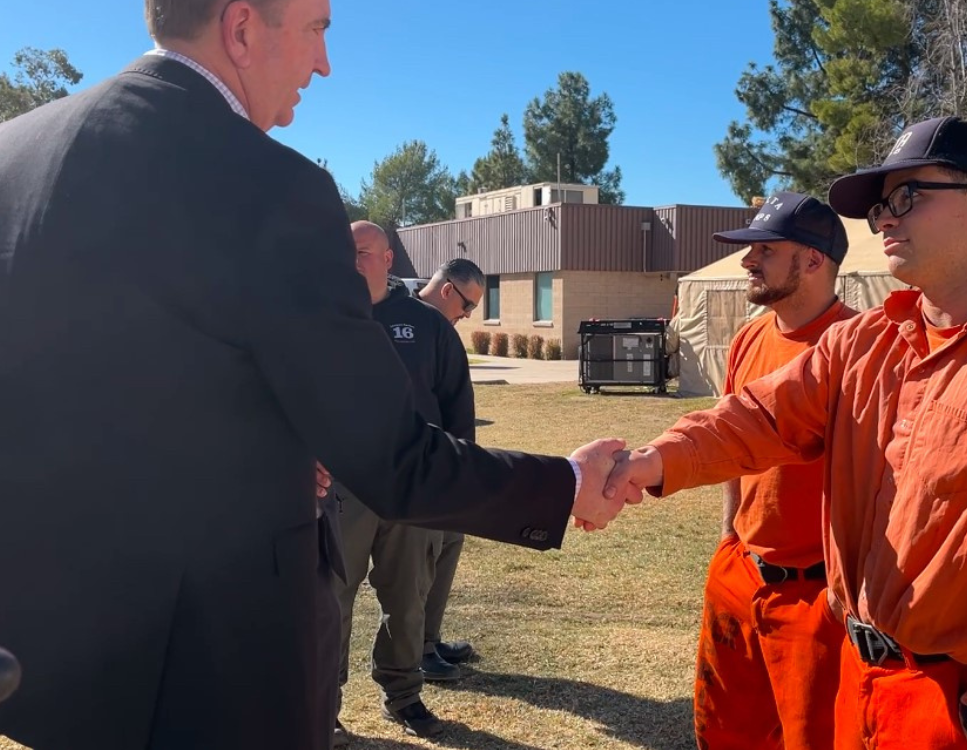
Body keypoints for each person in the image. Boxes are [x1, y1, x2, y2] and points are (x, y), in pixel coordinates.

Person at [0, 2, 626, 749]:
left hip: (45, 658)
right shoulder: (270, 185)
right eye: (318, 28)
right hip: (212, 671)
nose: (324, 64)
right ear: (241, 29)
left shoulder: (15, 151)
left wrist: (266, 447)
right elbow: (391, 458)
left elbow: (121, 388)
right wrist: (563, 485)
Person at [604, 117, 967, 749]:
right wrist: (649, 462)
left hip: (963, 706)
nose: (885, 219)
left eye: (907, 197)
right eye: (881, 207)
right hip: (858, 676)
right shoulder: (861, 344)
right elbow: (758, 417)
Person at [693, 193, 857, 750]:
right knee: (725, 733)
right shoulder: (748, 339)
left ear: (813, 261)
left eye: (765, 249)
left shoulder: (862, 348)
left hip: (818, 595)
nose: (747, 261)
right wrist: (728, 537)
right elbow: (731, 443)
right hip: (741, 572)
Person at [333, 223, 475, 743]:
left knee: (408, 596)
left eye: (362, 253)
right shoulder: (321, 319)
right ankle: (325, 704)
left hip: (412, 484)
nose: (352, 261)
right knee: (331, 597)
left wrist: (455, 478)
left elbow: (457, 406)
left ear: (388, 258)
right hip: (342, 489)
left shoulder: (427, 325)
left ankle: (403, 694)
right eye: (343, 252)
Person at [415, 259, 486, 676]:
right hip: (422, 469)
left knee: (447, 545)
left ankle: (429, 639)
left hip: (448, 465)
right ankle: (417, 652)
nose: (467, 316)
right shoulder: (406, 321)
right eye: (467, 305)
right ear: (447, 291)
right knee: (420, 558)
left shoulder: (438, 329)